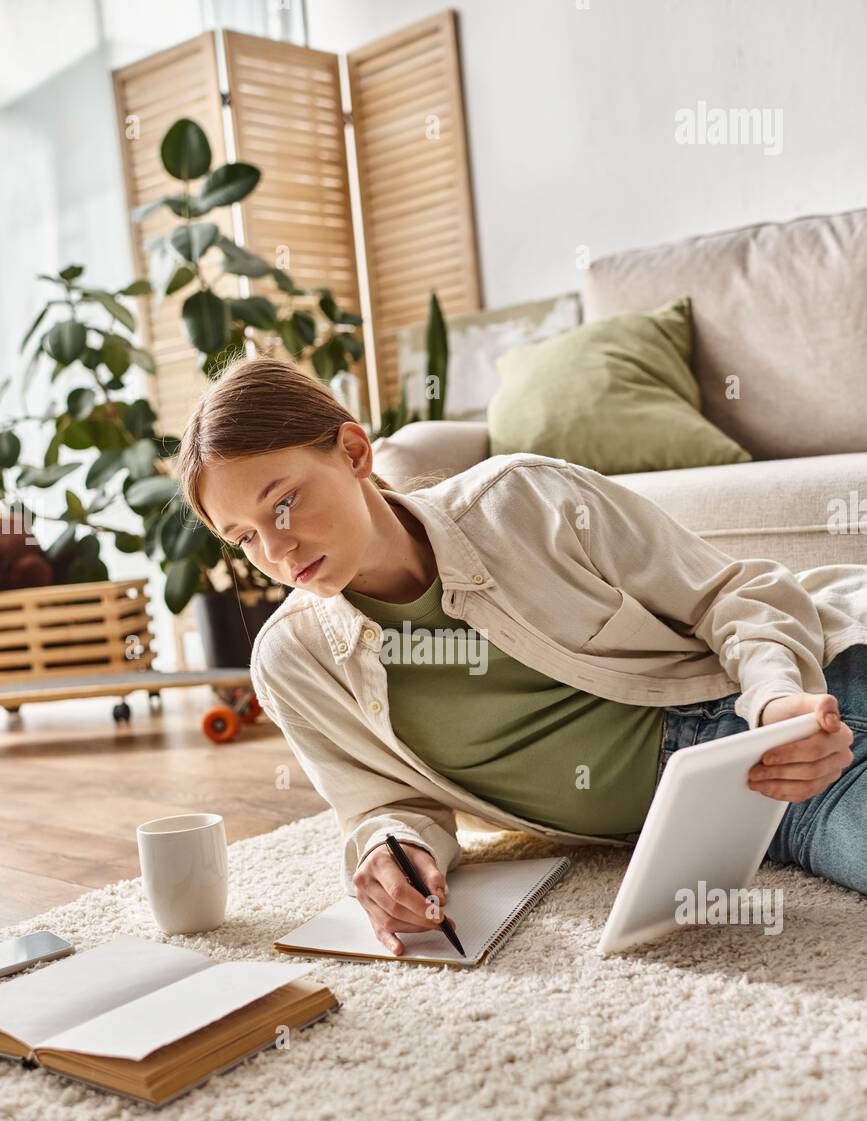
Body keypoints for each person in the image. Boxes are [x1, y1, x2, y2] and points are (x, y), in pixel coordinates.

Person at [176, 356, 867, 956]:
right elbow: (383, 805)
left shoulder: (525, 500)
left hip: (789, 703)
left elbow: (731, 594)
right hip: (734, 801)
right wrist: (397, 854)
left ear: (354, 452)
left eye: (284, 504)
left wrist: (777, 701)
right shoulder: (293, 662)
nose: (277, 550)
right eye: (244, 538)